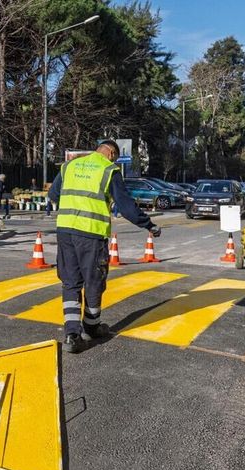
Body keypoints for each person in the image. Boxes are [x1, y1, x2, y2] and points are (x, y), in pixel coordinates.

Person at [48, 140, 161, 353]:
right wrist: (149, 225)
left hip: (65, 231)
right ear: (110, 154)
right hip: (91, 234)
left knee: (70, 283)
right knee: (94, 282)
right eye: (116, 157)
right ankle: (91, 328)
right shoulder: (109, 170)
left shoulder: (69, 166)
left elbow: (53, 196)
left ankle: (72, 335)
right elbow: (126, 206)